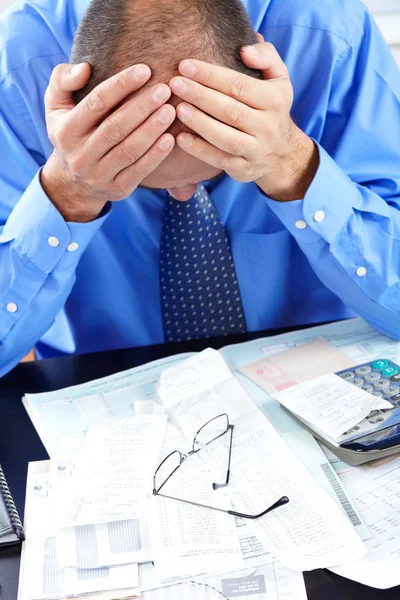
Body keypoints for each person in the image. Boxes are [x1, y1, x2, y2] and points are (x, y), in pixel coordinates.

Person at [0, 0, 399, 377]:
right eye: (135, 175)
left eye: (215, 169)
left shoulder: (330, 32)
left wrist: (291, 163)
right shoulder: (21, 63)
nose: (183, 194)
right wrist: (68, 191)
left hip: (325, 374)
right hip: (104, 395)